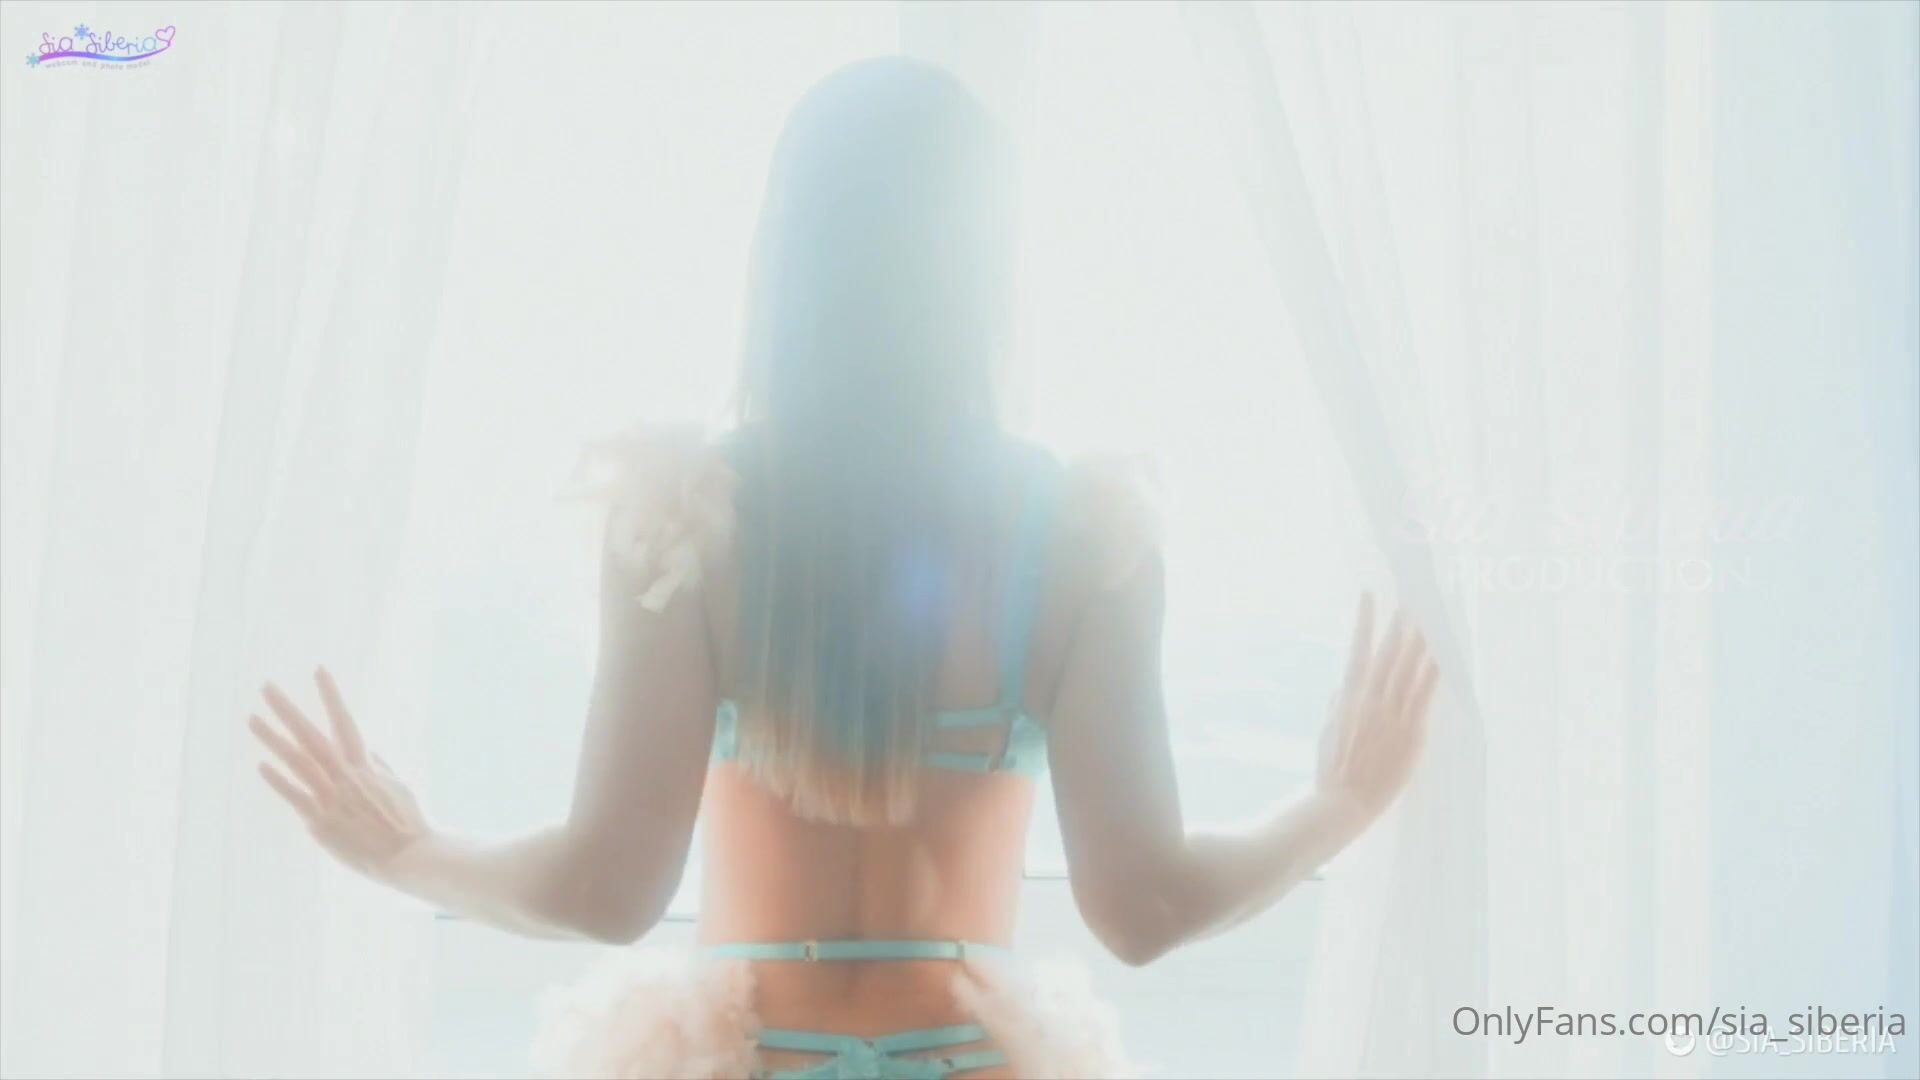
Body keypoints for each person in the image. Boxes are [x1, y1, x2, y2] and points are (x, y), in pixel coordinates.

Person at [246, 56, 1439, 1080]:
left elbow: (605, 890)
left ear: (786, 258)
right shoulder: (1082, 537)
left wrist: (408, 852)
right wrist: (1336, 807)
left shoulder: (689, 517)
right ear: (987, 267)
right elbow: (1144, 909)